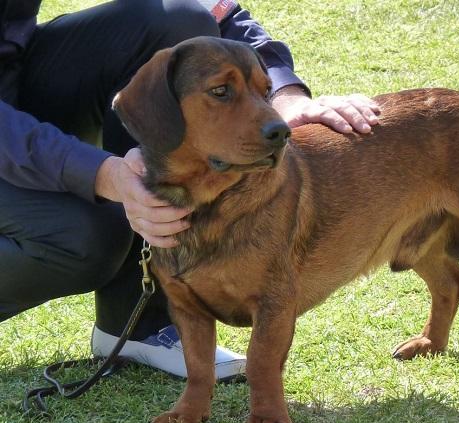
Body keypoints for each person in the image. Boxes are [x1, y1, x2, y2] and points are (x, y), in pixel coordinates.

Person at [0, 0, 380, 380]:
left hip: (12, 69)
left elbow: (215, 8)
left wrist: (282, 91)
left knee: (178, 17)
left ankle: (137, 326)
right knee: (87, 237)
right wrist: (101, 173)